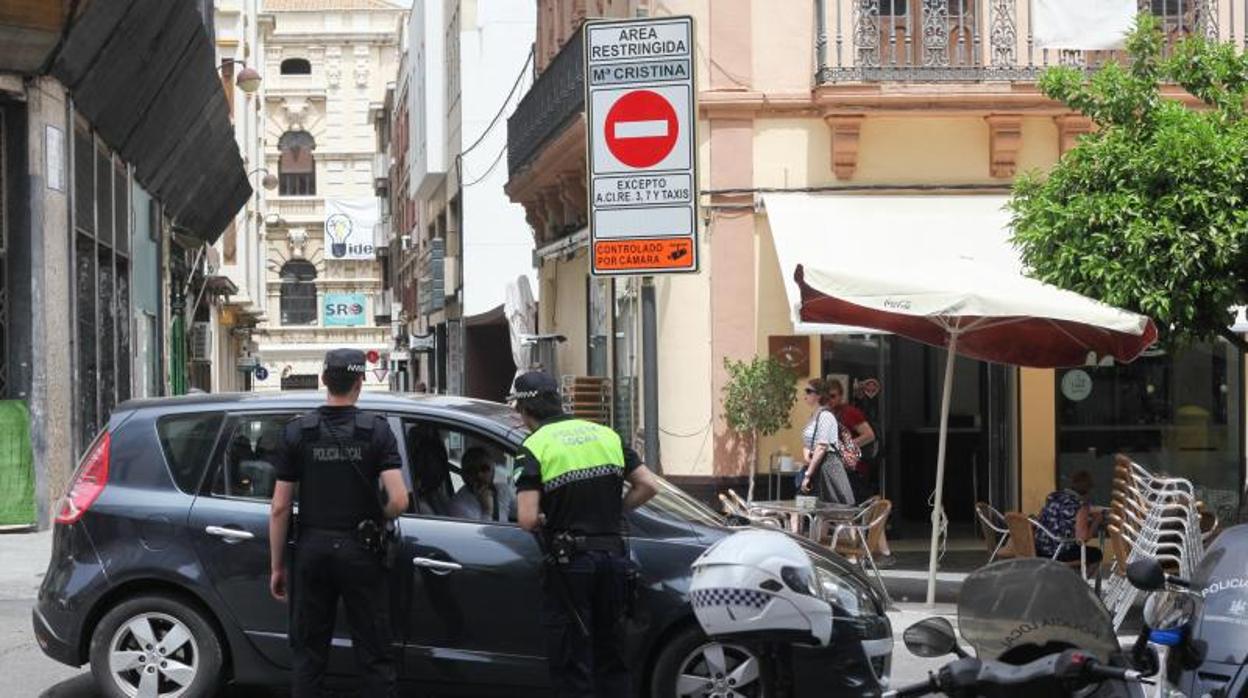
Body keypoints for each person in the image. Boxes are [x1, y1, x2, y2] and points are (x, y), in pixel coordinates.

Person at [268, 348, 410, 698]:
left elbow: (279, 507)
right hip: (361, 551)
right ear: (360, 381)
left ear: (323, 380)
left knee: (308, 654)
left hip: (312, 551)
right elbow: (399, 499)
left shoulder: (298, 431)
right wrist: (379, 519)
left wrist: (277, 566)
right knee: (374, 653)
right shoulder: (375, 432)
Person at [511, 371, 660, 698]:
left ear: (524, 409)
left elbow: (525, 518)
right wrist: (613, 510)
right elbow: (649, 485)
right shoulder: (605, 434)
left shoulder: (533, 447)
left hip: (571, 566)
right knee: (613, 657)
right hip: (614, 560)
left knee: (572, 660)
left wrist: (546, 516)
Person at [826, 379, 893, 565]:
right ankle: (873, 551)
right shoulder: (826, 414)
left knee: (857, 509)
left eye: (833, 396)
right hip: (838, 469)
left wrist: (845, 447)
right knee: (851, 510)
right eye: (826, 396)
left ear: (840, 396)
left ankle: (870, 552)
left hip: (853, 469)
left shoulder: (849, 412)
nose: (829, 400)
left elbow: (869, 434)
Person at [798, 378, 855, 506]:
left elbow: (822, 446)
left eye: (808, 391)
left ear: (819, 395)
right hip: (816, 466)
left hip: (827, 466)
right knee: (811, 509)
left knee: (837, 511)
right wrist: (807, 453)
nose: (805, 395)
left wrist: (808, 474)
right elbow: (811, 443)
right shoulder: (815, 415)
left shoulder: (826, 416)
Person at [1035, 470, 1104, 568]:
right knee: (1096, 554)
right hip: (1059, 552)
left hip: (1040, 550)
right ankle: (1078, 581)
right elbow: (1082, 539)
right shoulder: (1080, 506)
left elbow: (1039, 519)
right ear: (1088, 490)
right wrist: (1096, 521)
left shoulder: (1053, 497)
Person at [449, 447, 497, 521]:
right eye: (472, 470)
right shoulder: (458, 507)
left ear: (493, 471)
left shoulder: (503, 490)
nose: (479, 475)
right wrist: (487, 512)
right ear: (463, 476)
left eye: (484, 469)